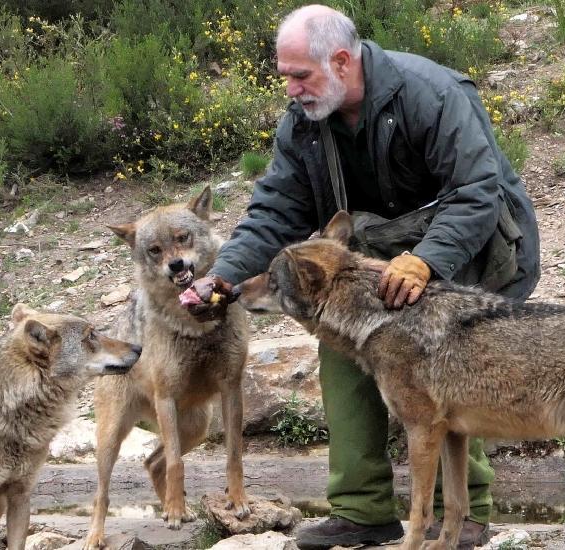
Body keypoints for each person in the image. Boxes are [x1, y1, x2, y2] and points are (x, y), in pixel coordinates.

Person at [191, 5, 540, 549]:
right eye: (285, 76)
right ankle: (361, 510)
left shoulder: (432, 92)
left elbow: (477, 190)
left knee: (448, 366)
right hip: (369, 259)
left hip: (466, 252)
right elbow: (275, 209)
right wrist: (226, 276)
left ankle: (462, 514)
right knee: (342, 348)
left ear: (341, 60)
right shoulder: (303, 122)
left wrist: (425, 261)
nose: (291, 89)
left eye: (300, 75)